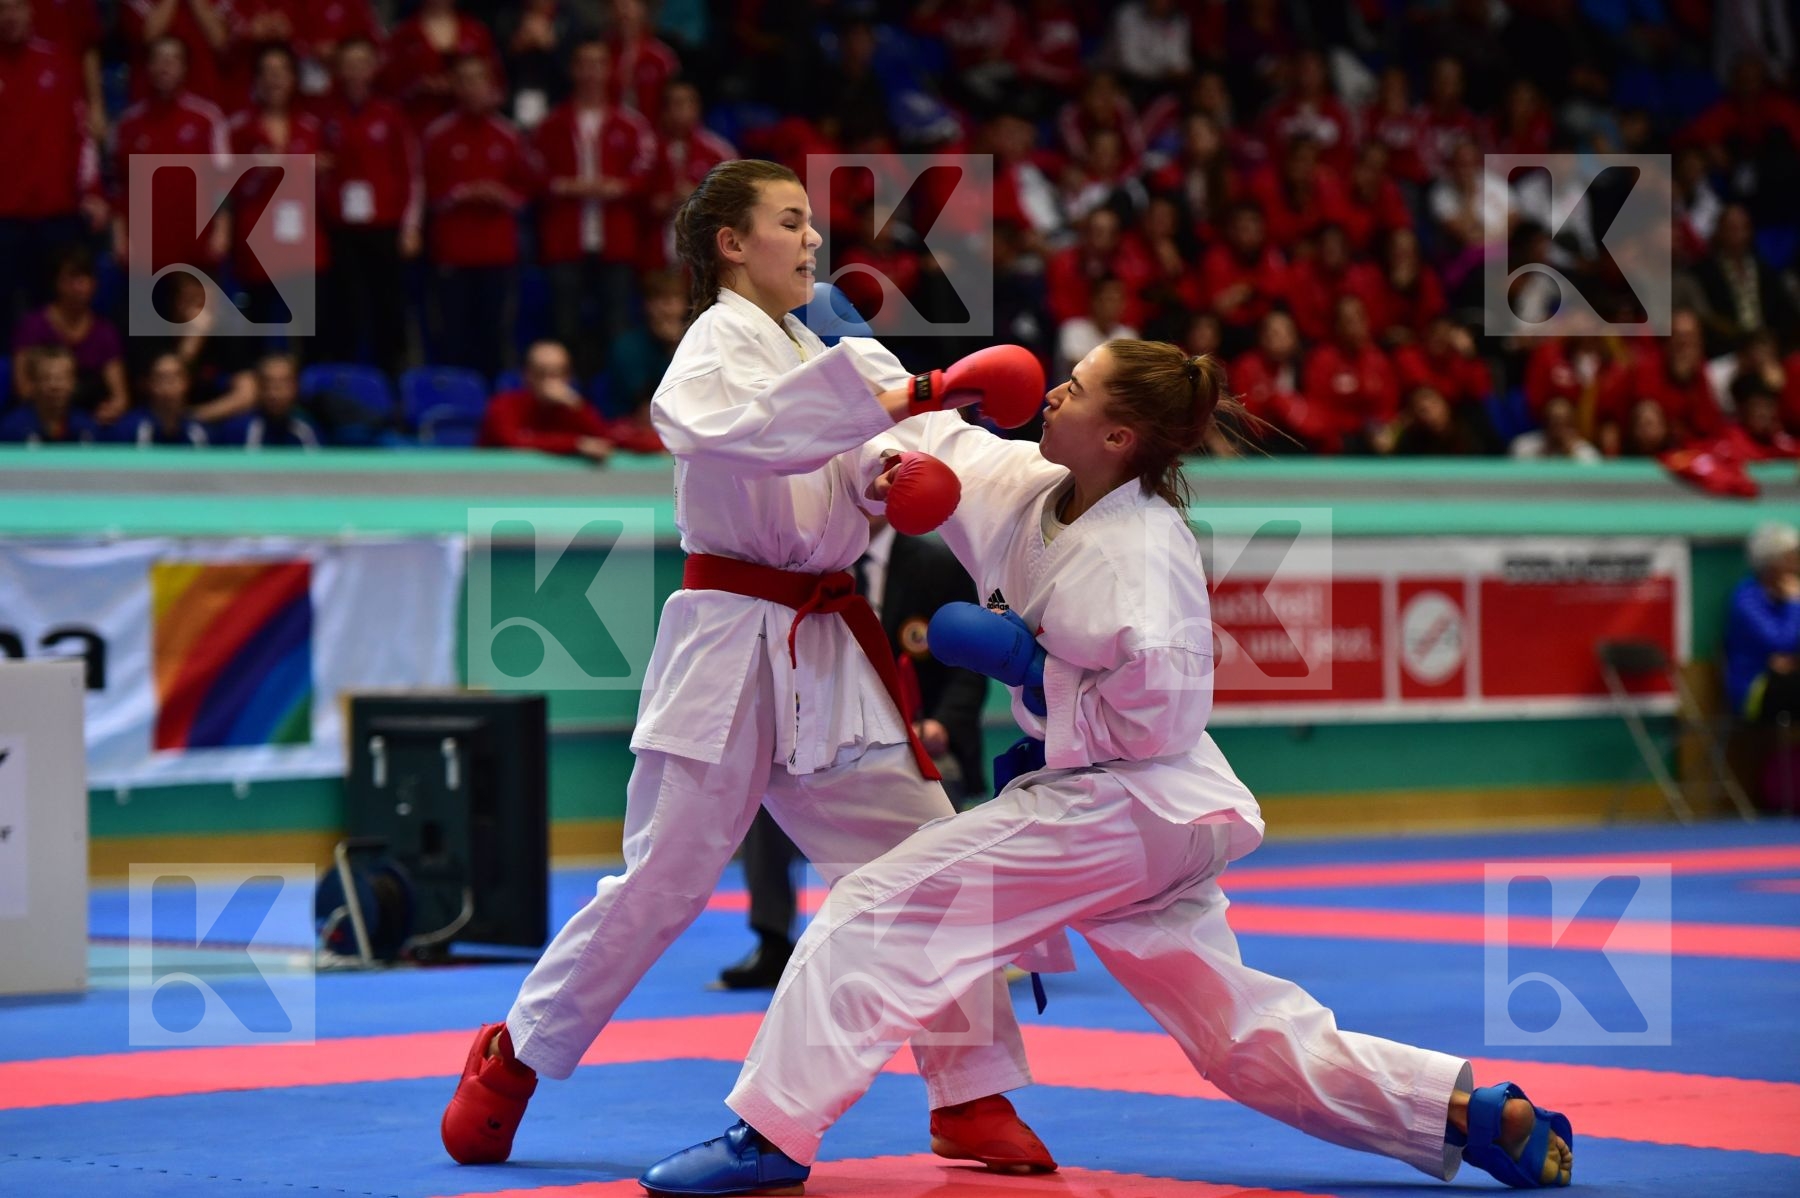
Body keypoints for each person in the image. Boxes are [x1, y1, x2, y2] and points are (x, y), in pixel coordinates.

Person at [640, 339, 1576, 1196]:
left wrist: (1030, 671)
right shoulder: (1028, 482)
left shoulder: (1140, 552)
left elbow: (1163, 714)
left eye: (1075, 391)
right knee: (1238, 1039)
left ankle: (769, 1134)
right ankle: (1465, 1111)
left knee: (874, 909)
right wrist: (845, 350)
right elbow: (939, 437)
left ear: (1118, 436)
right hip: (1141, 818)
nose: (1052, 394)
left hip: (1127, 799)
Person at [439, 158, 1056, 1175]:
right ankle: (514, 1059)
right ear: (732, 243)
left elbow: (858, 451)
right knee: (663, 882)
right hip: (729, 639)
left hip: (826, 650)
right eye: (791, 222)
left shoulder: (822, 349)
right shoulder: (710, 350)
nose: (812, 241)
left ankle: (970, 1092)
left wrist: (890, 465)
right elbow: (736, 432)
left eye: (812, 224)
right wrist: (921, 389)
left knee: (935, 863)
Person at [720, 513, 991, 990]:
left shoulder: (938, 564)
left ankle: (948, 939)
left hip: (914, 735)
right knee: (767, 794)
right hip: (827, 737)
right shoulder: (804, 565)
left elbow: (970, 665)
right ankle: (772, 940)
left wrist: (942, 724)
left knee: (936, 786)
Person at [477, 339, 661, 460]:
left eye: (558, 373)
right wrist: (575, 444)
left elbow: (604, 439)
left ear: (569, 376)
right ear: (527, 375)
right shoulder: (502, 405)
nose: (551, 381)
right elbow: (514, 443)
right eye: (542, 373)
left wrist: (577, 407)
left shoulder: (572, 408)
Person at [1725, 522, 1800, 723]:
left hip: (1788, 679)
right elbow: (1781, 641)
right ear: (1772, 563)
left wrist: (1792, 661)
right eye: (1791, 557)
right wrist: (1794, 604)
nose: (1796, 564)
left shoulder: (1790, 596)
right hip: (1754, 690)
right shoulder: (1746, 599)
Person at [0, 348, 96, 444]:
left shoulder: (86, 427)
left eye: (61, 378)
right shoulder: (12, 429)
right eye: (46, 378)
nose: (54, 386)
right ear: (33, 383)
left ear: (74, 383)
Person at [115, 353, 209, 447]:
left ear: (187, 382)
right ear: (149, 383)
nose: (169, 384)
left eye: (175, 377)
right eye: (161, 377)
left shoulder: (199, 431)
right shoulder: (129, 428)